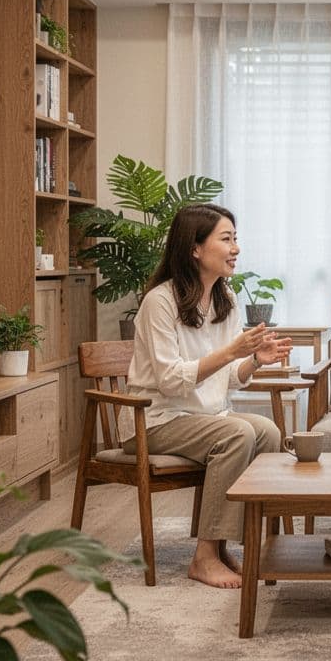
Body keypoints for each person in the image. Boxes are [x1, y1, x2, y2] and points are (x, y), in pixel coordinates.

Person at [126, 203, 292, 589]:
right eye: (226, 239)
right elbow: (170, 381)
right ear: (195, 249)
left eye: (236, 239)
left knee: (267, 432)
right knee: (237, 434)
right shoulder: (160, 302)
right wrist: (231, 351)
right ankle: (203, 556)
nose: (236, 248)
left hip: (205, 417)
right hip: (157, 419)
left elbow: (228, 377)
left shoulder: (224, 298)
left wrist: (254, 361)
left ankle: (228, 545)